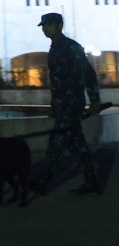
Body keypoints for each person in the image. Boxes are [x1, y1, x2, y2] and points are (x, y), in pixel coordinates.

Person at [28, 13, 102, 195]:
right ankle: (91, 181)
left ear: (60, 25)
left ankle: (44, 181)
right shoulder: (54, 49)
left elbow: (88, 73)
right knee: (76, 143)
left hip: (72, 104)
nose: (45, 29)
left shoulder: (72, 47)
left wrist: (95, 100)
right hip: (62, 105)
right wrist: (54, 105)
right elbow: (56, 82)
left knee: (56, 142)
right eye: (43, 26)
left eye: (48, 25)